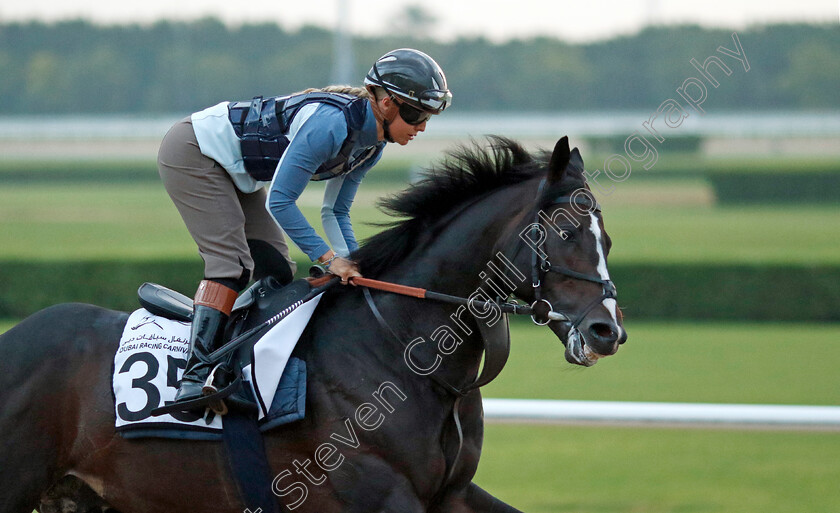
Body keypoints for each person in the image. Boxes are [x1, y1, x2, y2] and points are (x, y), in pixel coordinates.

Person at [156, 48, 452, 408]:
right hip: (193, 151)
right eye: (418, 114)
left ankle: (235, 361)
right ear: (387, 104)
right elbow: (279, 201)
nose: (422, 126)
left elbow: (336, 210)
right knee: (231, 264)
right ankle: (194, 377)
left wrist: (354, 262)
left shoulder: (371, 146)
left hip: (239, 172)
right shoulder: (330, 126)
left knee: (278, 269)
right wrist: (329, 259)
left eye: (428, 117)